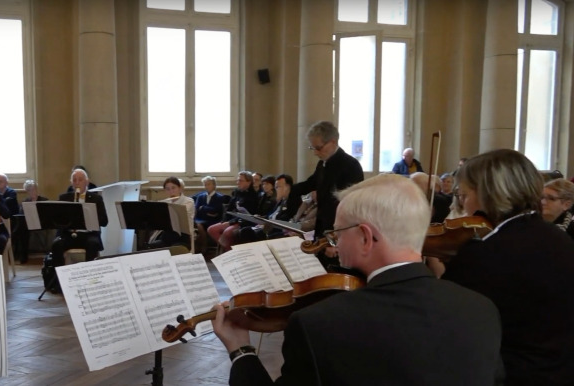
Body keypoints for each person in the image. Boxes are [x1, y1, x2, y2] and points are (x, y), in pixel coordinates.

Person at [211, 174, 503, 385]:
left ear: (365, 236)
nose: (334, 242)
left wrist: (242, 350)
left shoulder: (320, 324)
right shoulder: (481, 309)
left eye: (338, 232)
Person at [441, 149, 574, 384]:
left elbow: (447, 316)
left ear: (486, 194)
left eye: (465, 195)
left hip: (511, 374)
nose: (465, 204)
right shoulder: (558, 237)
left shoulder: (487, 252)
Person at [293, 121, 364, 263]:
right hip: (322, 230)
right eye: (312, 148)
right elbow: (311, 183)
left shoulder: (350, 166)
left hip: (336, 235)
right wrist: (290, 190)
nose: (315, 153)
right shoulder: (323, 163)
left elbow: (348, 208)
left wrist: (334, 240)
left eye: (318, 148)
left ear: (333, 142)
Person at [50, 168, 108, 264]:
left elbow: (104, 221)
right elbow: (58, 220)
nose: (77, 182)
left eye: (80, 180)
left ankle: (89, 276)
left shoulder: (96, 199)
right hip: (68, 235)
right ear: (71, 183)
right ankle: (59, 277)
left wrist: (91, 216)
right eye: (74, 180)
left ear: (87, 182)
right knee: (57, 244)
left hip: (88, 235)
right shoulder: (64, 198)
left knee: (92, 244)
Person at [237, 174, 302, 244]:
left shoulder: (294, 200)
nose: (276, 190)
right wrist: (262, 218)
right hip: (269, 225)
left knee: (251, 233)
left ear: (287, 187)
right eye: (276, 187)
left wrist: (267, 223)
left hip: (277, 228)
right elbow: (272, 214)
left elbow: (286, 218)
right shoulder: (282, 200)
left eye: (278, 187)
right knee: (245, 231)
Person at [207, 171, 258, 252]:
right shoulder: (237, 192)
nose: (238, 183)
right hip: (232, 219)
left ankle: (231, 252)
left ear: (249, 182)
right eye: (237, 180)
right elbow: (229, 209)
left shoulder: (253, 196)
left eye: (241, 181)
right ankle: (229, 250)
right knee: (211, 229)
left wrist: (230, 223)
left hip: (242, 222)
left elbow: (248, 215)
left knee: (227, 233)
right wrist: (225, 220)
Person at [147, 177, 194, 251]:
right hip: (167, 237)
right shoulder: (165, 202)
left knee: (174, 249)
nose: (171, 191)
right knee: (151, 247)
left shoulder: (189, 201)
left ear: (180, 188)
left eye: (173, 188)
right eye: (167, 189)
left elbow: (178, 216)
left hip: (182, 237)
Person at [14, 179, 49, 264]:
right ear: (27, 192)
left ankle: (20, 254)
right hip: (28, 223)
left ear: (37, 190)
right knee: (21, 227)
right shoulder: (25, 202)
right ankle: (22, 255)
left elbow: (47, 215)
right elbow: (21, 214)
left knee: (21, 227)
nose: (32, 192)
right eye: (29, 190)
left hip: (42, 223)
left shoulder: (44, 200)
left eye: (33, 189)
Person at [193, 176, 225, 254]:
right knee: (198, 224)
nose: (206, 186)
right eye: (205, 184)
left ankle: (204, 246)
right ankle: (198, 246)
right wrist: (207, 210)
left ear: (214, 185)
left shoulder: (219, 197)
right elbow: (197, 208)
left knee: (200, 225)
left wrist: (203, 208)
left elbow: (216, 210)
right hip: (200, 218)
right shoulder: (200, 196)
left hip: (213, 219)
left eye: (209, 184)